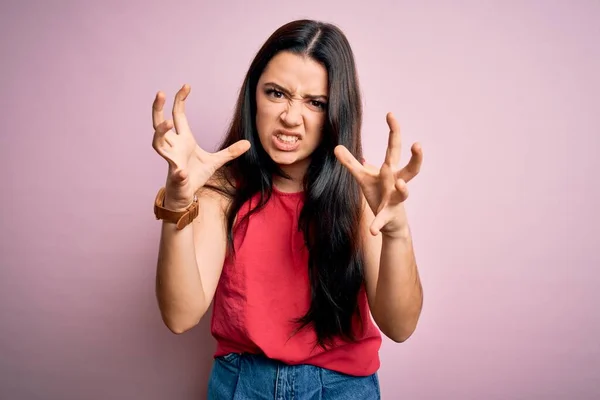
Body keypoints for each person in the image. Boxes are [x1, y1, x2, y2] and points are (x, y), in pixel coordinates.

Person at [151, 19, 424, 399]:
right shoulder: (222, 192)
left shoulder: (361, 194)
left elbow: (401, 326)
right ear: (254, 97)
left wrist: (397, 232)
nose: (291, 117)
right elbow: (180, 317)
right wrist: (178, 205)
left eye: (315, 103)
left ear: (336, 114)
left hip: (342, 388)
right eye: (276, 93)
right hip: (242, 385)